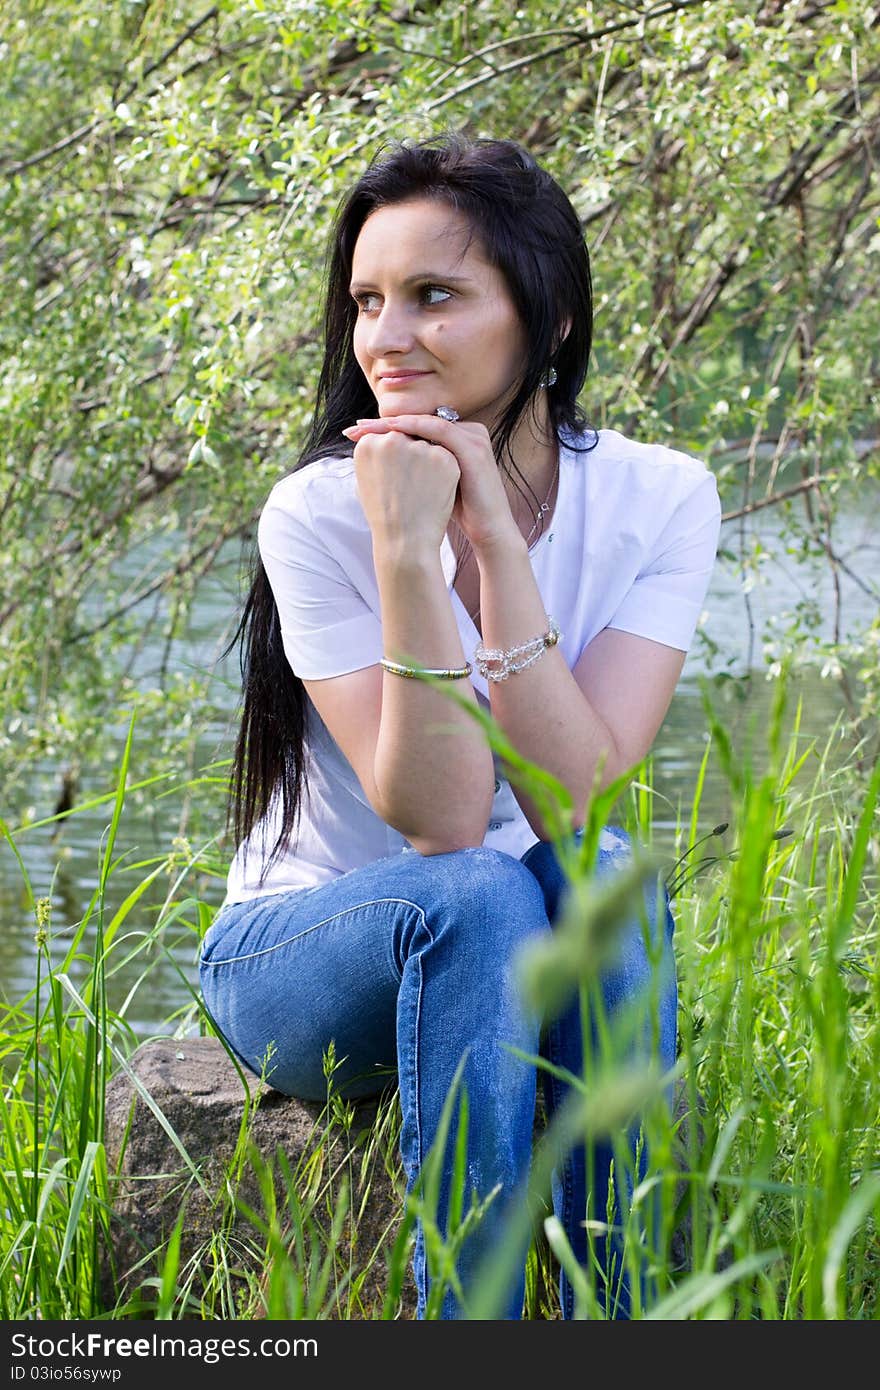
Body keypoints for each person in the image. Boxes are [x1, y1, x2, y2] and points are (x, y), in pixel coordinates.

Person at [198, 130, 721, 1320]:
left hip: (513, 941)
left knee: (607, 878)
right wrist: (405, 547)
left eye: (434, 296)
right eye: (368, 302)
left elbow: (572, 797)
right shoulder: (321, 512)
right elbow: (438, 822)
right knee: (479, 891)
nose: (384, 338)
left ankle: (618, 1313)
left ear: (551, 321)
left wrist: (492, 538)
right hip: (303, 959)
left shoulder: (660, 497)